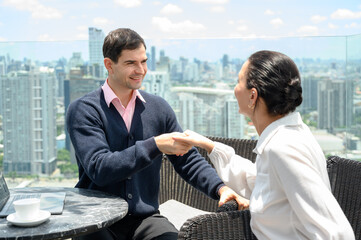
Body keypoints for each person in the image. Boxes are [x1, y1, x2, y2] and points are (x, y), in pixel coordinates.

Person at [66, 28, 243, 240]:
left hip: (144, 219)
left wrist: (220, 188)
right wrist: (154, 145)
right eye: (130, 63)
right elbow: (100, 168)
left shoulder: (158, 108)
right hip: (95, 219)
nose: (140, 69)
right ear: (109, 65)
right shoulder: (84, 110)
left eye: (143, 61)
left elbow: (187, 159)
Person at [173, 50, 355, 239]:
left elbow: (336, 232)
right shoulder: (288, 135)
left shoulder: (282, 148)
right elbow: (263, 185)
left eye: (238, 81)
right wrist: (209, 145)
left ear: (253, 96)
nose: (235, 89)